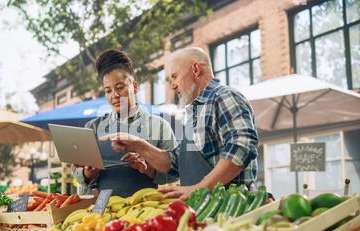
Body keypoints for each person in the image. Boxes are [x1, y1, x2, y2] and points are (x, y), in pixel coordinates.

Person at [102, 47, 259, 200]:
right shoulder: (194, 112)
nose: (172, 86)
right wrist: (138, 145)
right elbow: (174, 164)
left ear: (195, 70)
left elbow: (242, 145)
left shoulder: (223, 97)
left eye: (174, 76)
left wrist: (200, 188)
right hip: (205, 207)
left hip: (232, 206)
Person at [73, 49, 177, 197]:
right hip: (100, 210)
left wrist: (147, 169)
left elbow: (175, 171)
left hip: (143, 207)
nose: (114, 95)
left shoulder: (159, 126)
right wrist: (87, 173)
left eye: (120, 88)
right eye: (108, 91)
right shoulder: (92, 127)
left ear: (134, 87)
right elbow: (77, 172)